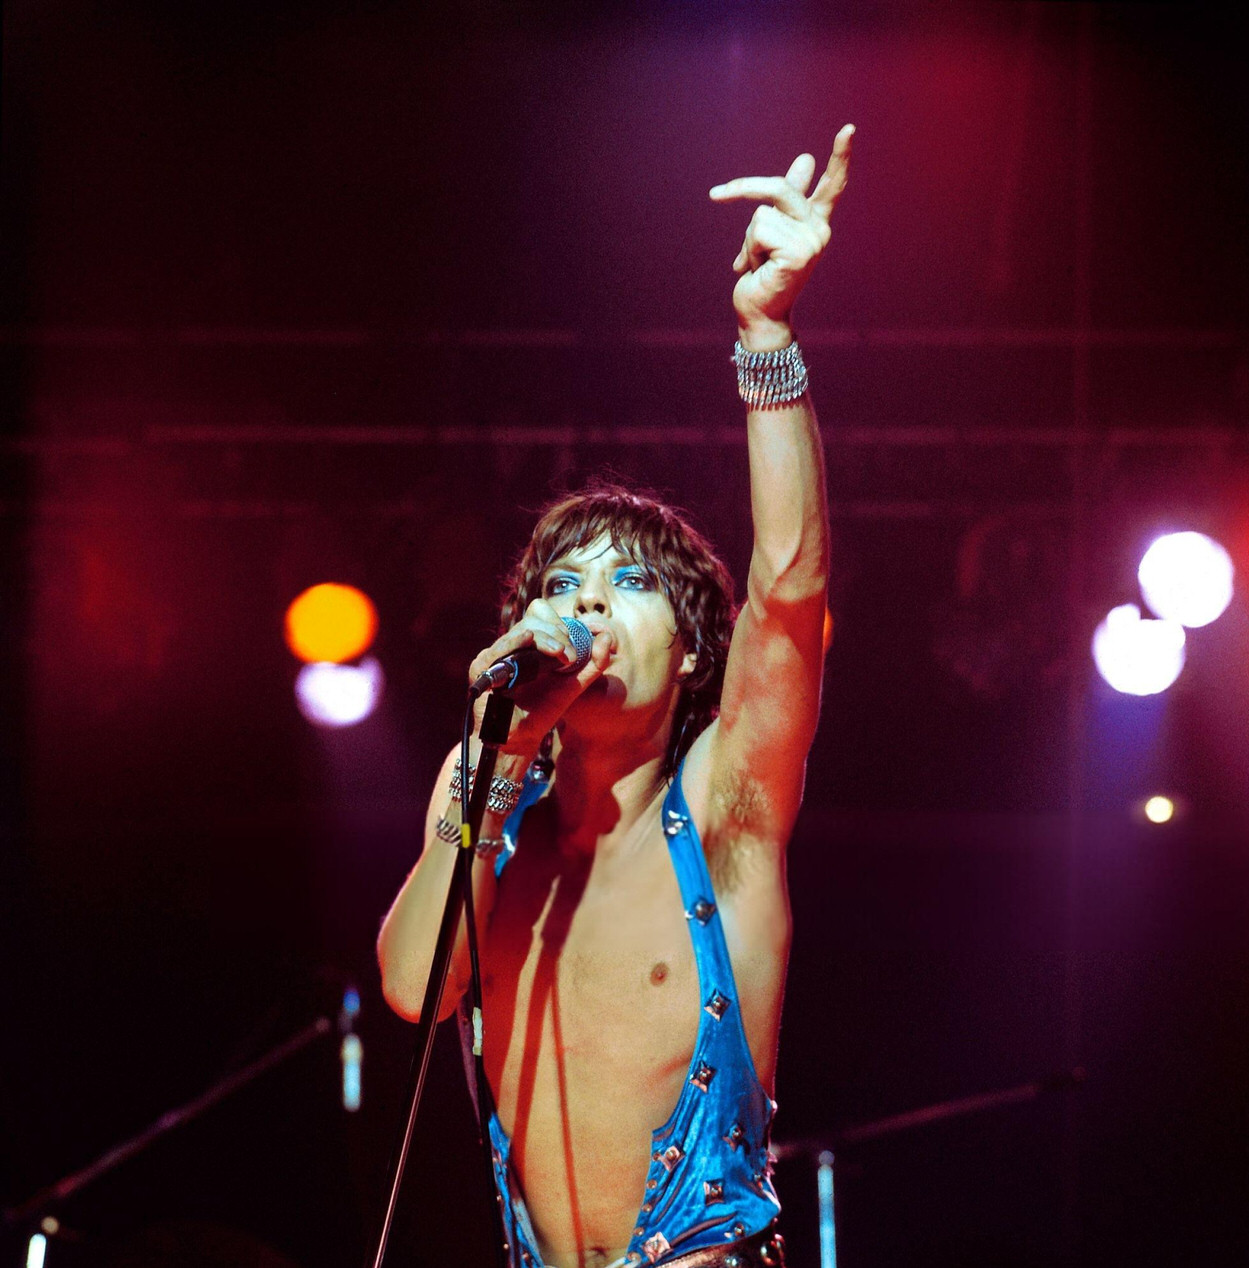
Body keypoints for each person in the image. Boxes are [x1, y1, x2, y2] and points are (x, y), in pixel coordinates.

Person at [378, 125, 853, 1268]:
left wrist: (767, 334)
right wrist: (486, 776)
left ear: (689, 652)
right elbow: (412, 988)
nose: (587, 604)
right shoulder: (495, 817)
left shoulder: (726, 806)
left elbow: (789, 590)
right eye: (562, 582)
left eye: (630, 583)